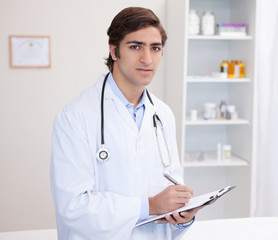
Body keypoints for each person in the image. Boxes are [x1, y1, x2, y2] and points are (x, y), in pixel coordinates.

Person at [50, 7, 204, 240]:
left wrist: (182, 216)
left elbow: (171, 187)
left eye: (155, 48)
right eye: (135, 47)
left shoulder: (163, 114)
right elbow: (73, 206)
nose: (147, 59)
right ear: (114, 51)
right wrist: (150, 206)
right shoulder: (75, 116)